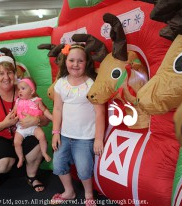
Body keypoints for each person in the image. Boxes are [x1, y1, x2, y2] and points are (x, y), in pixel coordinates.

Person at [0, 55, 50, 192]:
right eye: (1, 73)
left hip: (23, 135)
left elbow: (46, 119)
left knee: (39, 141)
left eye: (9, 72)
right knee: (1, 165)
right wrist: (3, 124)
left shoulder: (24, 89)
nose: (6, 77)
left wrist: (37, 120)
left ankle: (31, 176)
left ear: (14, 74)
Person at [51, 44, 105, 206]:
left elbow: (99, 113)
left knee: (83, 168)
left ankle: (88, 194)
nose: (75, 64)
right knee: (59, 164)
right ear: (65, 61)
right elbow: (57, 109)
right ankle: (69, 192)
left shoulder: (91, 84)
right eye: (71, 60)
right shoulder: (60, 83)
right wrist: (55, 132)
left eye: (80, 61)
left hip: (85, 138)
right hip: (64, 136)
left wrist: (98, 138)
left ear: (86, 62)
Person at [13, 77, 53, 168]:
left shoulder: (36, 101)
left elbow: (45, 111)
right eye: (18, 89)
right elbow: (14, 112)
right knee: (16, 142)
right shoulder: (18, 101)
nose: (20, 91)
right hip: (21, 127)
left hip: (34, 126)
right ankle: (20, 157)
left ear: (31, 91)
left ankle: (44, 153)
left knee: (42, 136)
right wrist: (12, 116)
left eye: (23, 89)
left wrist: (52, 118)